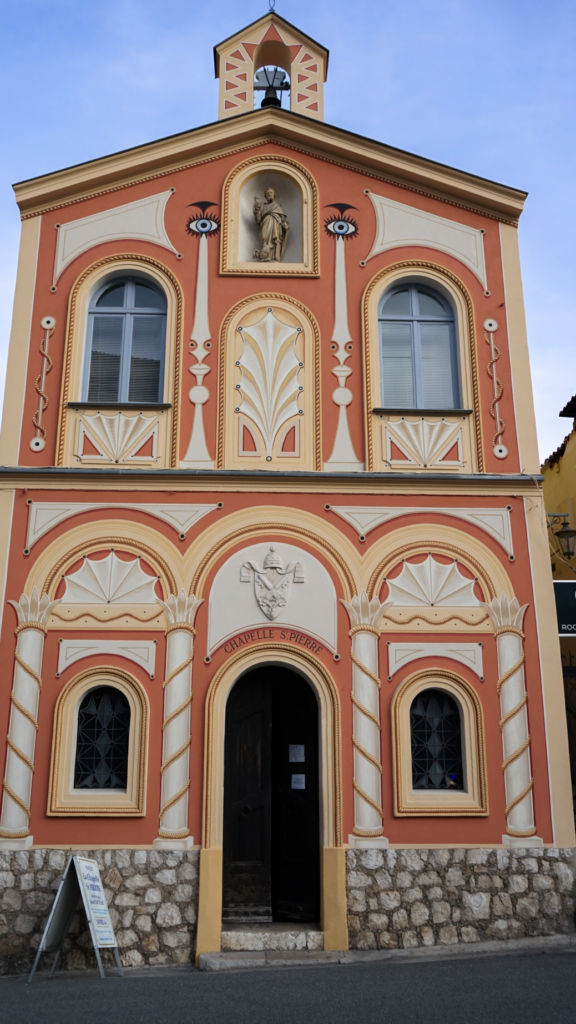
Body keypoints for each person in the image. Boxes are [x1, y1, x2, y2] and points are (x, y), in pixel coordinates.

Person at [253, 188, 290, 261]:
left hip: (275, 226)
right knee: (264, 238)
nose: (269, 194)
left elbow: (283, 219)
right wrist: (256, 206)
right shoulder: (263, 206)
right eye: (267, 193)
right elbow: (258, 218)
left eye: (271, 192)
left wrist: (285, 224)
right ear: (265, 196)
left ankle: (275, 257)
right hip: (265, 224)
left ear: (274, 195)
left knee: (276, 239)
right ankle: (264, 256)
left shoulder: (277, 207)